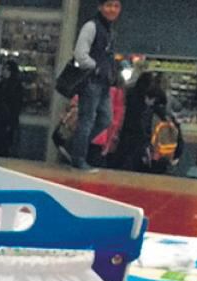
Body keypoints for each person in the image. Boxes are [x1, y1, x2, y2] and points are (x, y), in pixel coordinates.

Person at [68, 0, 122, 172]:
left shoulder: (110, 30)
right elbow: (80, 54)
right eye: (108, 5)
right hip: (91, 81)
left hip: (103, 83)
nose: (112, 9)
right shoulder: (91, 26)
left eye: (116, 6)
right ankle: (78, 158)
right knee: (87, 120)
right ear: (100, 7)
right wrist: (97, 68)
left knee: (105, 119)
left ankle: (75, 147)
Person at [0, 59, 23, 157]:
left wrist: (11, 123)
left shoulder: (16, 87)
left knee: (4, 147)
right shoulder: (1, 84)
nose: (4, 71)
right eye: (4, 69)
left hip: (6, 121)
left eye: (7, 69)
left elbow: (16, 106)